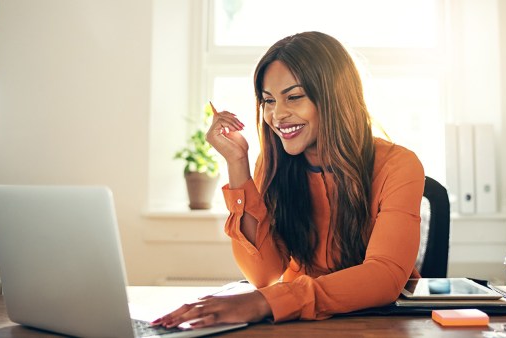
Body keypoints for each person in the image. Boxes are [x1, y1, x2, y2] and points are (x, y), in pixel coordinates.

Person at [152, 31, 424, 329]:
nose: (277, 115)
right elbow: (263, 274)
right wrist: (237, 163)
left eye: (293, 97)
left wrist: (265, 302)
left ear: (335, 97)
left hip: (376, 324)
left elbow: (384, 276)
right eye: (268, 101)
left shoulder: (398, 165)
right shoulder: (272, 163)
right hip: (297, 322)